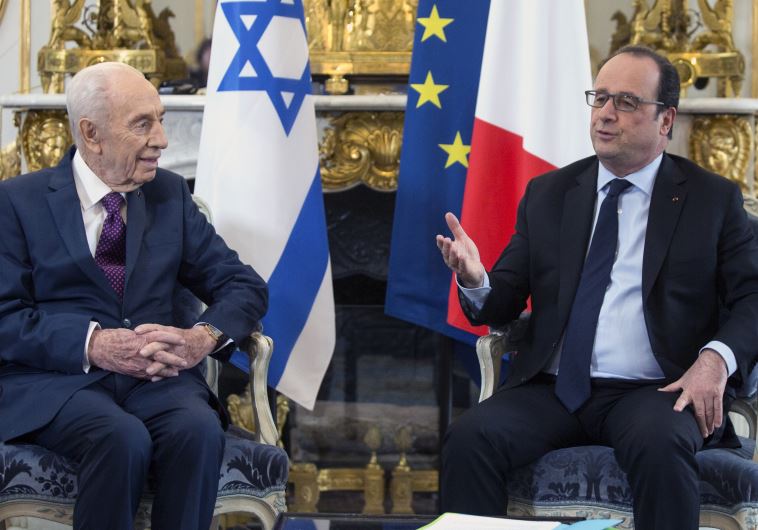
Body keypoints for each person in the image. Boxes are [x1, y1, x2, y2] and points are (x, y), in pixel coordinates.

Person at [436, 45, 758, 529]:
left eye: (626, 102)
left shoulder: (712, 200)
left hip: (657, 389)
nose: (606, 115)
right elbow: (502, 299)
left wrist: (714, 361)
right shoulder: (549, 194)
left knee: (660, 445)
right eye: (600, 98)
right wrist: (475, 277)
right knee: (469, 438)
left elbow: (752, 296)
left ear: (665, 120)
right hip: (554, 390)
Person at [0, 62, 267, 530]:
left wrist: (202, 337)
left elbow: (243, 285)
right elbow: (5, 317)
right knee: (120, 437)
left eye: (160, 119)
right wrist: (94, 344)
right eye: (143, 123)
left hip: (157, 381)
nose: (162, 139)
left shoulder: (169, 195)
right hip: (57, 383)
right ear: (92, 133)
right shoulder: (17, 202)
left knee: (198, 429)